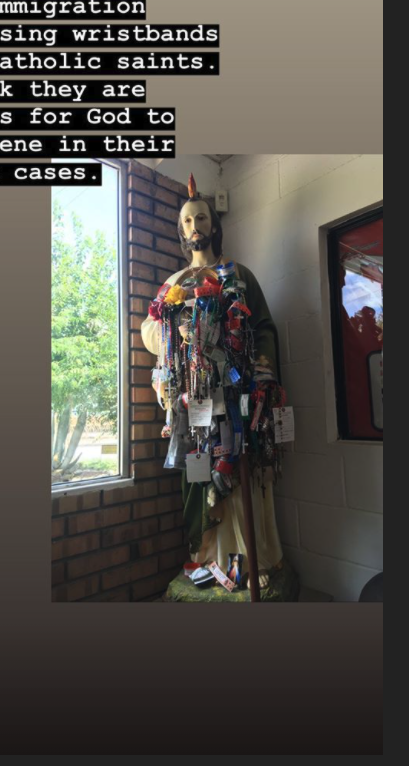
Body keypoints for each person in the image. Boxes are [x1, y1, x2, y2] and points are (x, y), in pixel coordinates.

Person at [141, 176, 284, 589]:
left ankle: (252, 559)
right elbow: (149, 332)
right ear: (181, 230)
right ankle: (207, 557)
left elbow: (264, 327)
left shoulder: (239, 274)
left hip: (237, 396)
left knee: (240, 474)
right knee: (198, 472)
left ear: (214, 225)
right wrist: (178, 329)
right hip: (194, 399)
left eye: (201, 218)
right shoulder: (173, 284)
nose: (194, 226)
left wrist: (261, 370)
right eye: (187, 221)